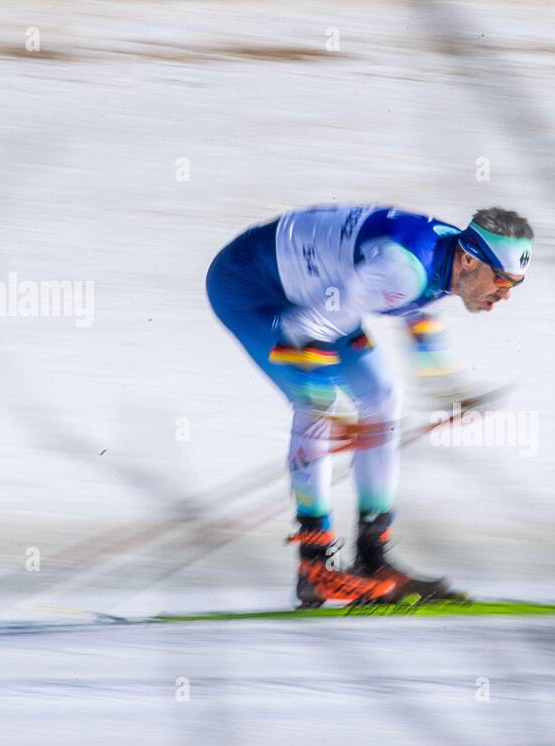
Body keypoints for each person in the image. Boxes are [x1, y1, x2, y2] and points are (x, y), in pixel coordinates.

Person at [205, 205, 533, 606]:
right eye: (501, 281)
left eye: (515, 285)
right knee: (319, 402)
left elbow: (419, 308)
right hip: (250, 284)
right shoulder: (402, 270)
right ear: (469, 259)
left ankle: (372, 559)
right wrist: (336, 419)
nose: (504, 296)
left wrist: (447, 388)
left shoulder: (447, 257)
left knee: (381, 397)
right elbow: (301, 335)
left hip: (310, 290)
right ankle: (314, 565)